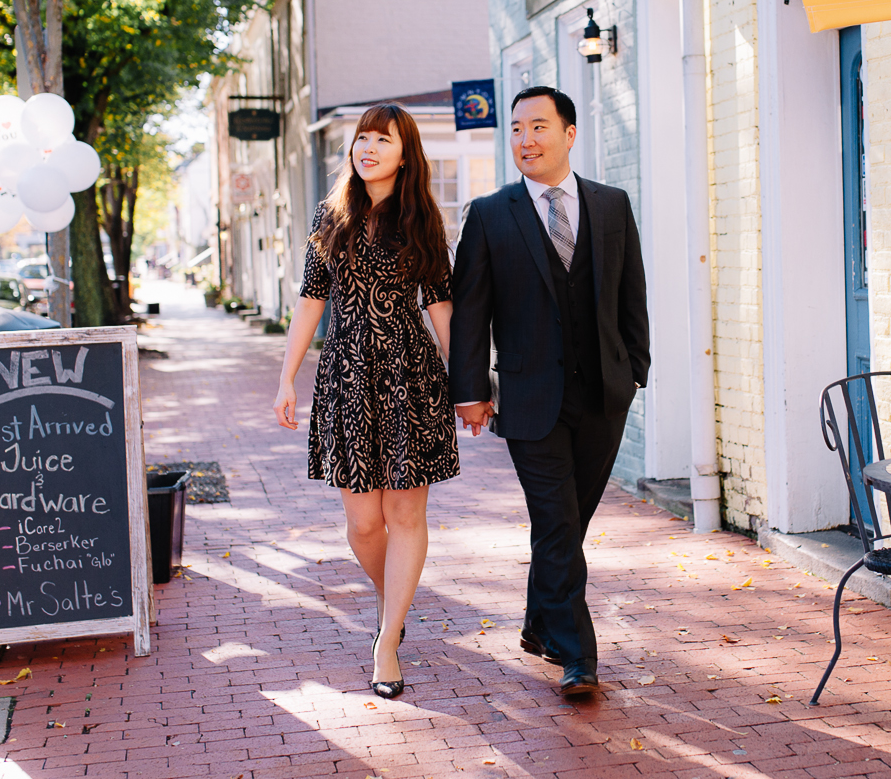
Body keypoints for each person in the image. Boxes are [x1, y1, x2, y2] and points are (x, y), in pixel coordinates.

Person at [450, 86, 650, 697]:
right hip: (529, 399)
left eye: (538, 126)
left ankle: (539, 622)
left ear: (567, 133)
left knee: (568, 524)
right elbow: (469, 313)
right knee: (558, 522)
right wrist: (469, 390)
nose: (525, 139)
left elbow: (630, 293)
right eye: (515, 129)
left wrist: (636, 368)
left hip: (603, 396)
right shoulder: (489, 213)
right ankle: (577, 656)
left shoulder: (612, 206)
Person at [273, 103, 457, 700]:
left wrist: (468, 385)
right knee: (363, 522)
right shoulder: (332, 218)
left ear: (406, 153)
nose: (368, 147)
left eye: (383, 139)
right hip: (346, 378)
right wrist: (286, 377)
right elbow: (309, 303)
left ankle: (386, 641)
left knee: (406, 516)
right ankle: (393, 604)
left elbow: (441, 307)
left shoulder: (422, 220)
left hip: (409, 377)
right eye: (362, 138)